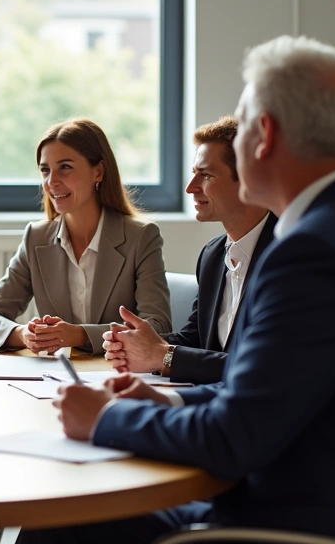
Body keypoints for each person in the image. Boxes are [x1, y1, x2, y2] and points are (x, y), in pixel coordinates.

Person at [5, 36, 335, 544]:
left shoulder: (313, 253)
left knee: (58, 543)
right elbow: (261, 391)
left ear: (266, 136)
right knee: (56, 523)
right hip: (323, 512)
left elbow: (232, 439)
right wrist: (164, 402)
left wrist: (110, 418)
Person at [0, 118, 170, 356]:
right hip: (56, 377)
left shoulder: (140, 237)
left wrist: (78, 334)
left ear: (98, 172)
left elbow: (159, 328)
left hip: (118, 374)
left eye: (65, 167)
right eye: (45, 170)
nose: (51, 181)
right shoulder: (36, 238)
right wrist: (23, 334)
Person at [103, 117, 275, 383]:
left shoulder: (288, 256)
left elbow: (263, 368)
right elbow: (197, 338)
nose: (190, 187)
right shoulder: (213, 255)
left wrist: (163, 355)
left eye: (205, 175)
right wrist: (136, 342)